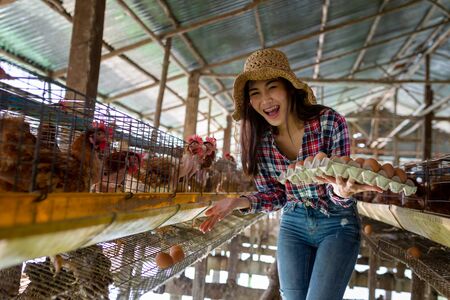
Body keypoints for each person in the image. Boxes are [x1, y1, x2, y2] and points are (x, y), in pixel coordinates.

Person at [199, 48, 382, 300]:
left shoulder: (329, 122)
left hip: (336, 222)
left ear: (289, 88)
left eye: (272, 87)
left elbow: (340, 182)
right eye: (255, 93)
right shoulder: (260, 142)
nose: (265, 100)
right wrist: (239, 201)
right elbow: (276, 195)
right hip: (293, 224)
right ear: (250, 102)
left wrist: (341, 192)